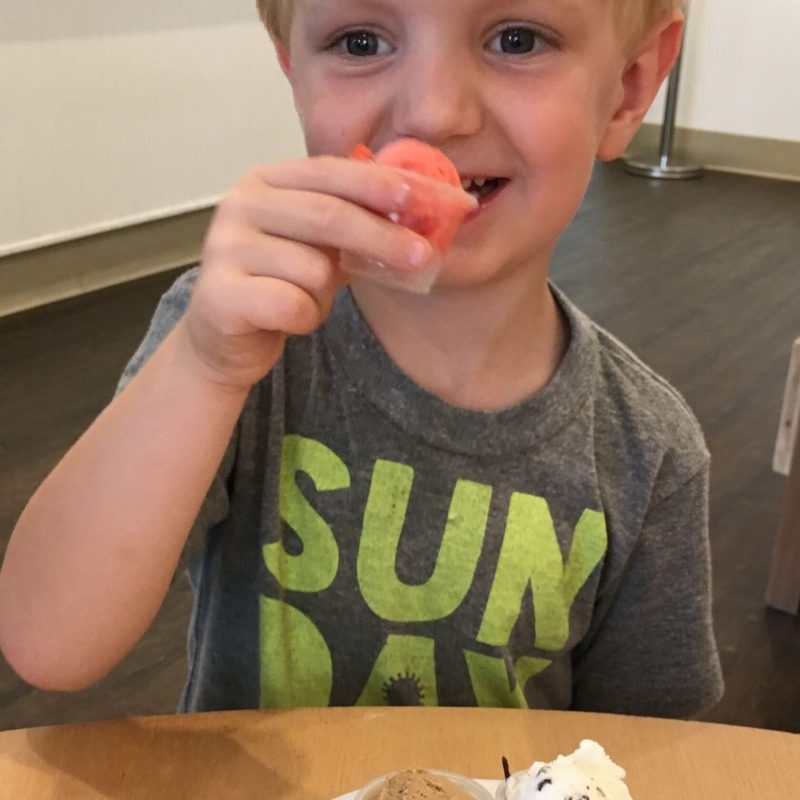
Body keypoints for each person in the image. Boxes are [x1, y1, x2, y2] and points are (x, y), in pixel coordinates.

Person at [0, 0, 723, 718]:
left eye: (516, 38)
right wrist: (204, 368)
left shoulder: (647, 449)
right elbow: (49, 643)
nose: (435, 113)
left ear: (629, 85)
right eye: (360, 41)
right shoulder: (236, 343)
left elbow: (641, 750)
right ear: (294, 74)